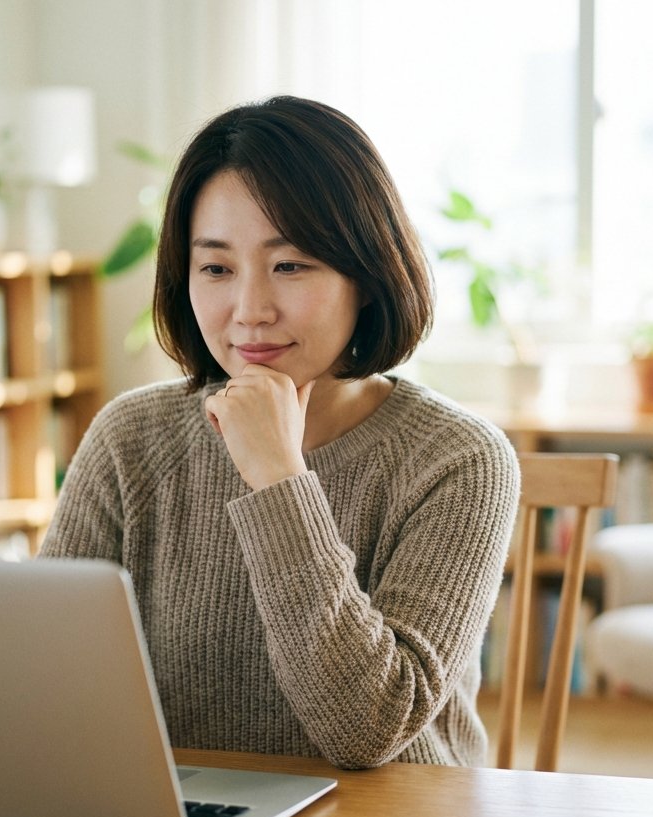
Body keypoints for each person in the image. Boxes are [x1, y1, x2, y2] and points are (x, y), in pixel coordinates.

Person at [40, 96, 519, 769]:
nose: (250, 311)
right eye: (216, 268)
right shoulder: (132, 438)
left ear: (368, 272)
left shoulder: (460, 459)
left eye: (290, 265)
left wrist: (279, 477)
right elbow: (45, 677)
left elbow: (367, 729)